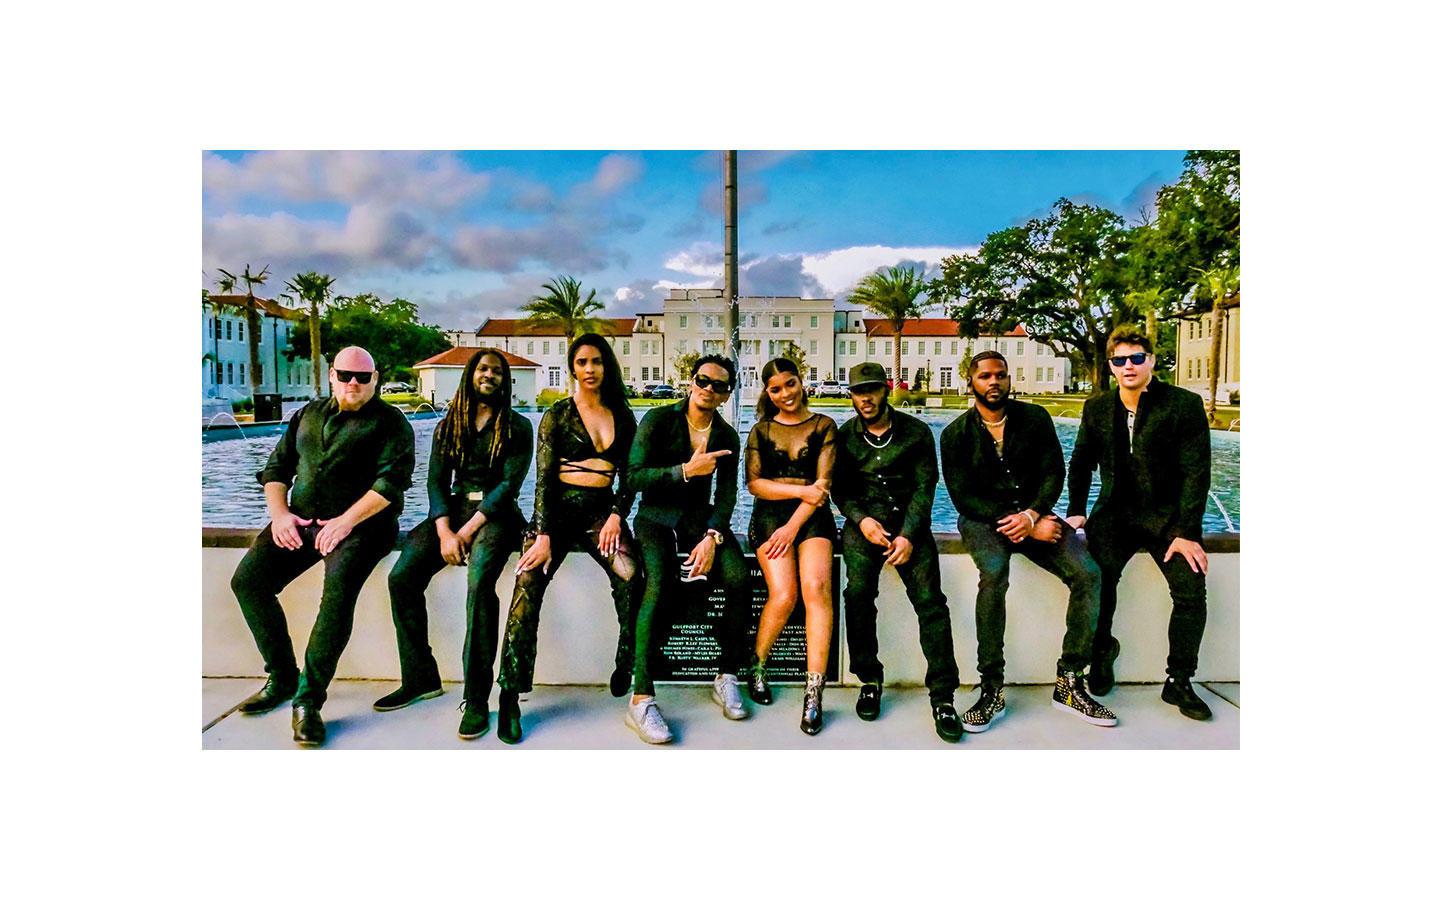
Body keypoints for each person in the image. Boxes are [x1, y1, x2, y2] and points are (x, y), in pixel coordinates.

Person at [231, 346, 414, 747]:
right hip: (301, 522)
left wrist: (345, 522)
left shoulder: (391, 423)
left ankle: (308, 701)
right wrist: (280, 515)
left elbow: (391, 484)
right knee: (248, 582)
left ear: (375, 379)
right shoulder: (307, 415)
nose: (353, 383)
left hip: (363, 528)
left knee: (336, 598)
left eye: (363, 377)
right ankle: (282, 676)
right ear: (332, 375)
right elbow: (277, 469)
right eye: (345, 375)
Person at [940, 351, 1116, 733]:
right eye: (985, 376)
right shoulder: (955, 435)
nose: (994, 382)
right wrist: (1021, 523)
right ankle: (991, 688)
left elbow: (1054, 473)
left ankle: (1070, 681)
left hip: (1035, 516)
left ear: (1008, 379)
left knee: (1088, 573)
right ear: (971, 382)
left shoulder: (1035, 418)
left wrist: (1033, 515)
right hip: (983, 521)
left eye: (1000, 375)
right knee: (993, 575)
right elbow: (963, 497)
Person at [375, 349, 533, 740]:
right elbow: (435, 482)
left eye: (497, 371)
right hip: (453, 511)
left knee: (479, 585)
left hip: (497, 516)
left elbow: (507, 487)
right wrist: (445, 531)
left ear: (505, 380)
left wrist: (467, 532)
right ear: (470, 374)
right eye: (483, 369)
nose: (489, 375)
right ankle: (420, 677)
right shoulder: (448, 425)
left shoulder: (518, 427)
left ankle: (476, 699)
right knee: (402, 577)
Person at [494, 334, 642, 744]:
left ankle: (625, 661)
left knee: (632, 576)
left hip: (600, 513)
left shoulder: (623, 416)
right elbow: (543, 478)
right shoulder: (557, 415)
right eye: (581, 362)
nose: (589, 369)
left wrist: (617, 515)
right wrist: (542, 535)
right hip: (556, 513)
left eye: (596, 361)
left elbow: (630, 477)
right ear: (573, 368)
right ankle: (509, 695)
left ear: (606, 366)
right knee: (527, 585)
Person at [1066, 325, 1214, 720]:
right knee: (1097, 581)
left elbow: (1196, 472)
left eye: (1136, 358)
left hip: (1168, 520)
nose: (1128, 366)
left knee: (1191, 589)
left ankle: (1179, 680)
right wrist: (1077, 509)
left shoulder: (1183, 405)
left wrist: (1187, 533)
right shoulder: (1097, 408)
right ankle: (1102, 651)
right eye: (1120, 360)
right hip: (1115, 515)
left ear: (1151, 361)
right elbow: (1080, 462)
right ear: (1111, 366)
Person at [832, 361, 963, 743]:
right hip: (864, 528)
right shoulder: (844, 437)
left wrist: (907, 536)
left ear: (885, 390)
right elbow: (840, 490)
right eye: (859, 392)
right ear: (852, 396)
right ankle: (869, 679)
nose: (866, 398)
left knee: (931, 602)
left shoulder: (916, 433)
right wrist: (862, 521)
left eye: (872, 390)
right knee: (857, 594)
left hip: (909, 527)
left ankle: (943, 696)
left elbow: (925, 488)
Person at [624, 354, 748, 744]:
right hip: (655, 517)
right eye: (703, 380)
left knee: (738, 578)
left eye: (719, 385)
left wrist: (712, 537)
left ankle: (726, 675)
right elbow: (633, 477)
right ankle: (641, 698)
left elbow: (726, 496)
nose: (708, 389)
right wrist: (685, 471)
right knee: (658, 585)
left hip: (699, 519)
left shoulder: (726, 436)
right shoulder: (658, 420)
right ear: (691, 381)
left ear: (726, 394)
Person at [745, 357, 837, 735]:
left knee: (817, 589)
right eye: (776, 389)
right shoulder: (761, 431)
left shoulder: (824, 425)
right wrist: (799, 493)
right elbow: (754, 484)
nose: (785, 393)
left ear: (801, 382)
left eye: (790, 384)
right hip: (770, 517)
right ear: (768, 393)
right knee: (784, 595)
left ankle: (813, 692)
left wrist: (794, 525)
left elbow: (823, 486)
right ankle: (756, 665)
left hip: (812, 518)